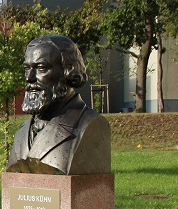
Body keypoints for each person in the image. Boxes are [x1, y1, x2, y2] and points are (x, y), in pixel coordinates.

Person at [6, 35, 110, 175]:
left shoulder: (89, 124)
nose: (29, 78)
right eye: (27, 68)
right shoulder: (21, 133)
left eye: (41, 68)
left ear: (69, 71)